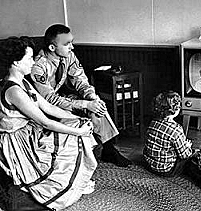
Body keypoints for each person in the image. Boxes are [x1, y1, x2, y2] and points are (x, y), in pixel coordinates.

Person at [0, 37, 98, 210]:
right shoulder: (13, 90)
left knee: (76, 125)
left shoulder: (23, 82)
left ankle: (75, 180)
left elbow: (48, 107)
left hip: (30, 131)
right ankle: (63, 187)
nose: (33, 62)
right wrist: (79, 132)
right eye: (29, 58)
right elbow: (45, 121)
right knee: (73, 135)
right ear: (15, 62)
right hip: (17, 141)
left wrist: (75, 119)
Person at [30, 24, 131, 167]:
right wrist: (85, 104)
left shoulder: (68, 55)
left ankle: (109, 149)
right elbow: (49, 99)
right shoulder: (38, 66)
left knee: (96, 105)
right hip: (42, 106)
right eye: (67, 44)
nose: (72, 47)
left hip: (61, 97)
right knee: (87, 106)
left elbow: (81, 80)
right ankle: (86, 156)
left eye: (72, 42)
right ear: (52, 48)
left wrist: (92, 98)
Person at [143, 91, 193, 177]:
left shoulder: (153, 122)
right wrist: (187, 146)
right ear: (176, 109)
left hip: (149, 164)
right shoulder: (176, 129)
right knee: (191, 156)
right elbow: (184, 155)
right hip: (167, 170)